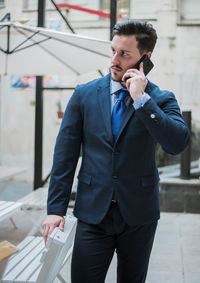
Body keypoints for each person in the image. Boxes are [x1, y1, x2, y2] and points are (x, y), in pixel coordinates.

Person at [43, 19, 190, 283]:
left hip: (139, 214)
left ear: (145, 57)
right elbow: (64, 155)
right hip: (92, 212)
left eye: (124, 54)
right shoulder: (84, 95)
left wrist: (141, 101)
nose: (114, 59)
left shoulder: (160, 99)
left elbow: (177, 144)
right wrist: (56, 209)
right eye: (113, 50)